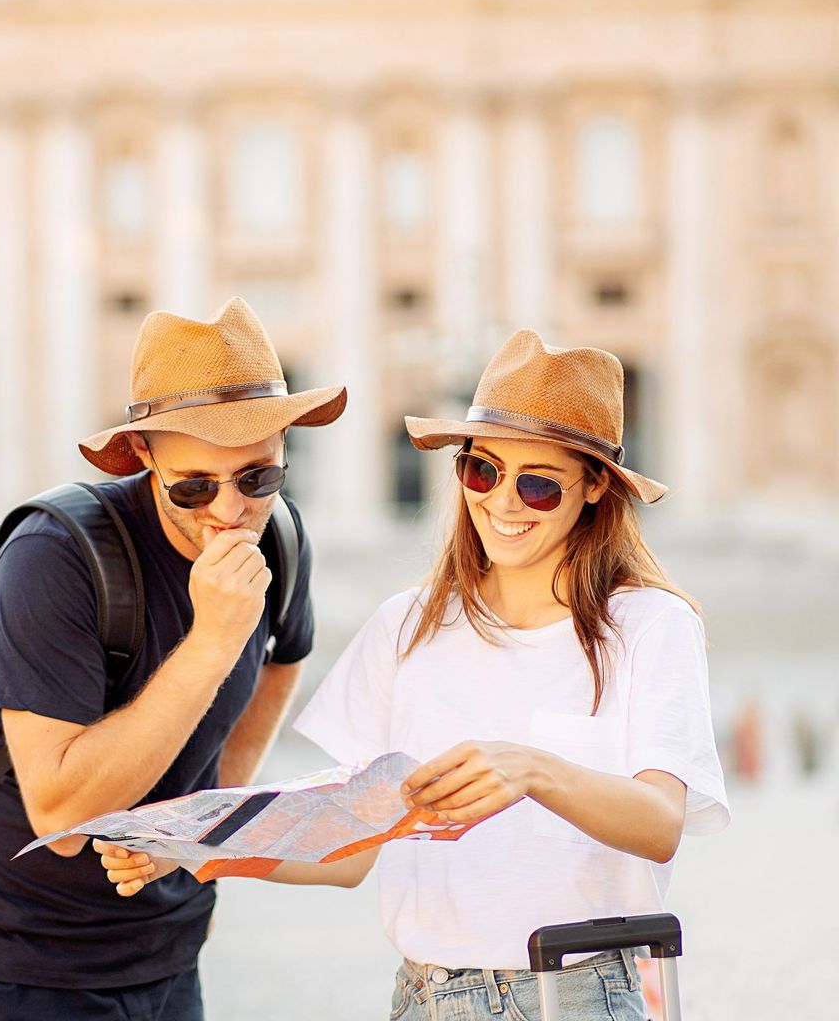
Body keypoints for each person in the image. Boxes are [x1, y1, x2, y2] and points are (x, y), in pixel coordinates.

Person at [98, 329, 729, 1021]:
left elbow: (661, 822)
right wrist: (196, 848)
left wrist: (534, 772)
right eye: (482, 471)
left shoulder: (651, 625)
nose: (503, 502)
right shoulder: (408, 625)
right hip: (422, 997)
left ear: (595, 487)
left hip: (574, 993)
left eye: (539, 483)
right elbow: (349, 852)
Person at [0, 297, 346, 1021]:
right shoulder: (54, 557)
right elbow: (62, 806)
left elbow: (283, 662)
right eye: (195, 484)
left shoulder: (280, 539)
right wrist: (211, 641)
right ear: (144, 456)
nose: (230, 510)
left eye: (259, 478)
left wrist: (200, 827)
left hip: (167, 952)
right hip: (14, 959)